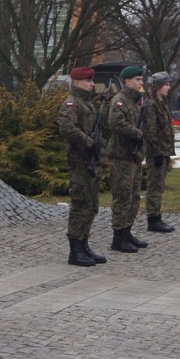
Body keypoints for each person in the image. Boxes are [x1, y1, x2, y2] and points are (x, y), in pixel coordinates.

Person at [57, 66, 107, 266]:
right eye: (88, 81)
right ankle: (75, 250)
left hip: (91, 160)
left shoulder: (89, 105)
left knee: (92, 205)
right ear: (77, 82)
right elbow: (67, 128)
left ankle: (84, 243)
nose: (92, 84)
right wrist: (89, 143)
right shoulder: (71, 103)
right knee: (80, 205)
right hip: (79, 160)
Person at [105, 65, 149, 253]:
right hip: (121, 155)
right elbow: (116, 123)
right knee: (123, 196)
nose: (141, 82)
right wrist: (138, 134)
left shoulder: (135, 101)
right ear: (127, 81)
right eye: (138, 79)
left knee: (134, 196)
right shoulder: (120, 101)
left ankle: (127, 231)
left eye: (141, 79)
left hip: (134, 155)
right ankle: (118, 236)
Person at [143, 71, 176, 233]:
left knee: (159, 185)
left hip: (163, 151)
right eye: (166, 84)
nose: (169, 87)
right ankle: (153, 218)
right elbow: (150, 131)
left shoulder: (162, 103)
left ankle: (156, 216)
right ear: (157, 86)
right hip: (156, 152)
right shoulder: (151, 104)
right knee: (154, 186)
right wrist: (156, 152)